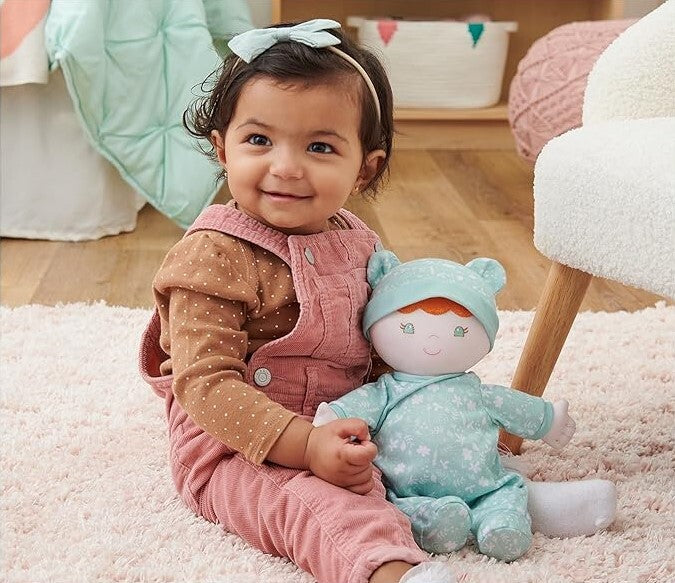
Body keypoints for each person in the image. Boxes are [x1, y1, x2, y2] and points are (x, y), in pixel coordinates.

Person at [139, 19, 615, 583]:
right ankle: (388, 569)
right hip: (242, 444)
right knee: (314, 505)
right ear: (222, 148)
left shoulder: (358, 243)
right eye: (259, 141)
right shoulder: (211, 257)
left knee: (431, 441)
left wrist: (426, 406)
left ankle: (498, 496)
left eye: (319, 147)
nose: (285, 166)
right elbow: (206, 386)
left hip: (355, 419)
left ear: (365, 168)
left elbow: (384, 347)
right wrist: (305, 446)